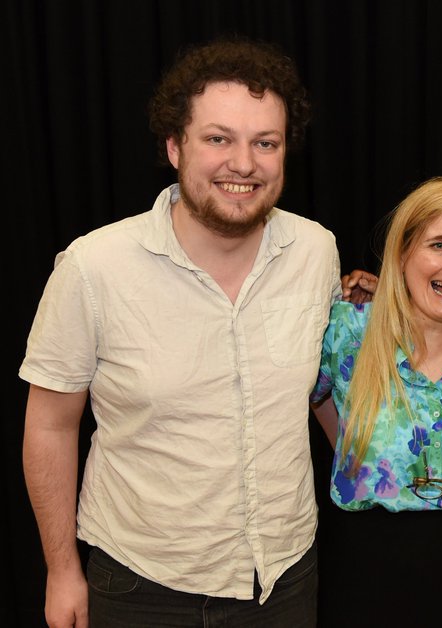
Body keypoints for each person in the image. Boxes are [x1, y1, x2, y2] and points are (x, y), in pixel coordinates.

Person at [20, 38, 343, 627]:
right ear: (175, 146)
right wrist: (62, 569)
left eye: (264, 143)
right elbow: (49, 424)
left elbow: (322, 385)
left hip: (285, 581)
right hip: (141, 585)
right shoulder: (93, 268)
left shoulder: (316, 251)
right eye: (218, 139)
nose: (243, 164)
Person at [309, 176, 442, 626]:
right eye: (439, 245)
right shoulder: (347, 329)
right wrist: (353, 449)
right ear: (403, 254)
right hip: (359, 573)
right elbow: (316, 396)